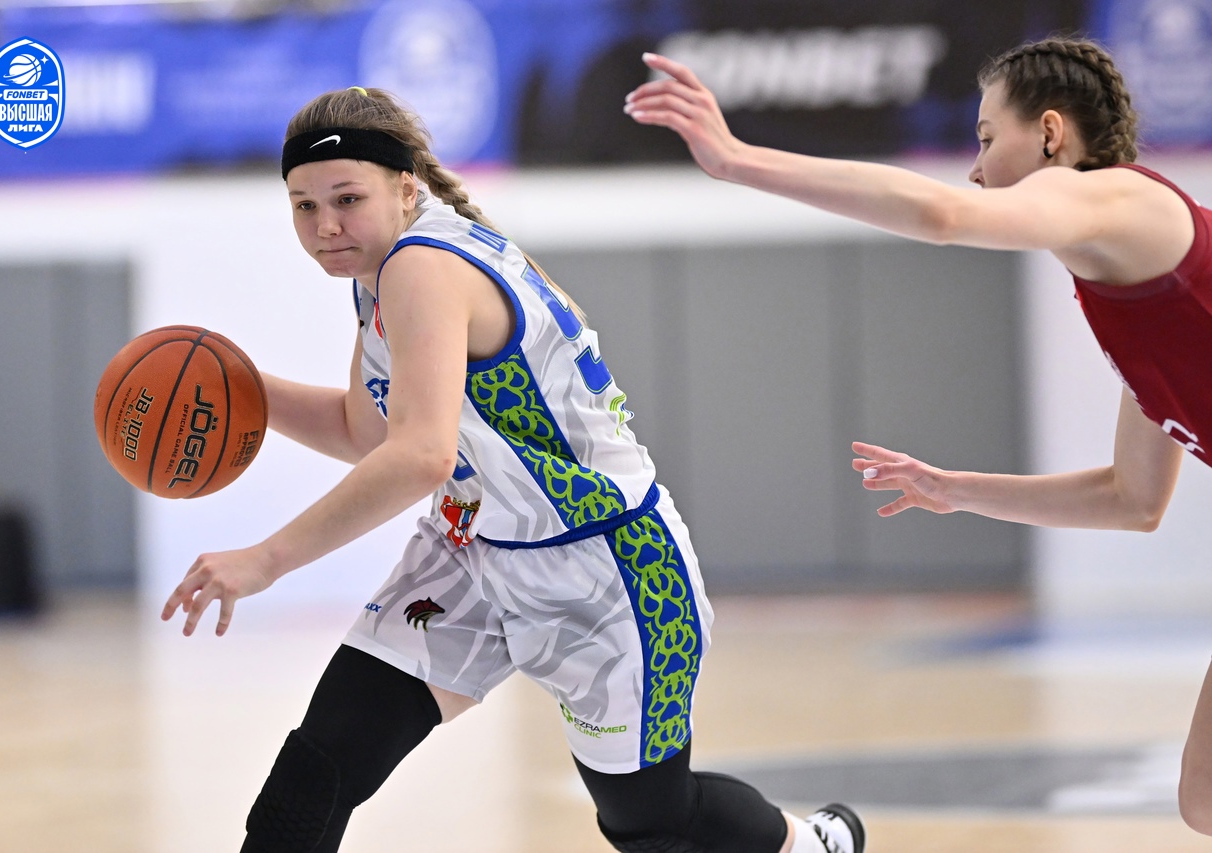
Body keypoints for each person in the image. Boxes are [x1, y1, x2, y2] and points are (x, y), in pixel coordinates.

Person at [159, 85, 865, 853]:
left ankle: (810, 844)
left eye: (346, 199)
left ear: (405, 188)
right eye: (304, 206)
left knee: (652, 822)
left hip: (606, 565)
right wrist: (243, 387)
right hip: (472, 552)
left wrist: (266, 558)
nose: (325, 225)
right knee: (320, 768)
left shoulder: (423, 266)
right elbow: (368, 431)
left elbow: (420, 455)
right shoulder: (380, 274)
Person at [625, 35, 1212, 835]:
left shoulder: (1114, 198)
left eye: (986, 138)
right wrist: (955, 488)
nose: (975, 168)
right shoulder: (1128, 286)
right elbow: (1133, 498)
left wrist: (738, 160)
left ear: (1050, 134)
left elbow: (941, 214)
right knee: (1204, 797)